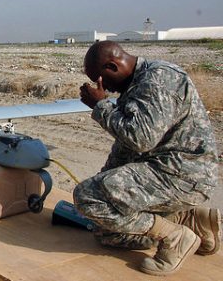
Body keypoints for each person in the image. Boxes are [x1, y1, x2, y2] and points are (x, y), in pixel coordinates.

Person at [74, 41, 220, 276]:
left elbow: (140, 139)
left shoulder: (159, 80)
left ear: (112, 66)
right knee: (107, 232)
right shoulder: (135, 85)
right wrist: (103, 181)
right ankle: (187, 220)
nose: (105, 88)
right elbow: (125, 149)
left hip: (184, 174)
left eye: (102, 80)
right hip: (162, 171)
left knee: (86, 197)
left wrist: (101, 106)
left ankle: (174, 237)